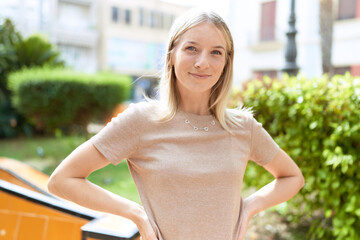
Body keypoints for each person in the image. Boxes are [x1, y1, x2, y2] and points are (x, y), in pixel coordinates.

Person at [48, 8, 305, 240]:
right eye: (191, 48)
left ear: (226, 62)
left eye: (216, 52)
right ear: (171, 55)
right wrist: (136, 213)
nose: (203, 62)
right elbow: (62, 179)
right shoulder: (141, 120)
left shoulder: (242, 126)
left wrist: (249, 207)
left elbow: (292, 177)